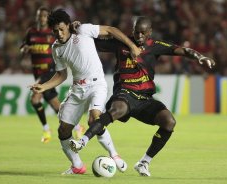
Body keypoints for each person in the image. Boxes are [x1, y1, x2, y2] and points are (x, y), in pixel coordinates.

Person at [70, 16, 216, 176]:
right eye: (136, 32)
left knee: (169, 121)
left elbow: (183, 50)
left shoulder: (155, 46)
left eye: (143, 33)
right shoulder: (121, 43)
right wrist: (76, 30)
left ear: (149, 33)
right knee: (117, 109)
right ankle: (82, 141)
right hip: (124, 92)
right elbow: (91, 42)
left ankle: (144, 162)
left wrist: (199, 56)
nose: (139, 36)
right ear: (132, 31)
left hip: (145, 99)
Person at [30, 9, 141, 175]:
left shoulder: (82, 30)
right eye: (55, 31)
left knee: (94, 118)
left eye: (61, 29)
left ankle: (114, 155)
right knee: (63, 130)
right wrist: (44, 86)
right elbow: (62, 74)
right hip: (77, 89)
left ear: (68, 25)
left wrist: (132, 46)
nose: (59, 33)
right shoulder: (56, 48)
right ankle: (77, 166)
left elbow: (111, 30)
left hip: (96, 85)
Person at [20, 6, 85, 143]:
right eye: (40, 16)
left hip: (50, 71)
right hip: (37, 71)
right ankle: (78, 127)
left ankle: (46, 129)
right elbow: (22, 47)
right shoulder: (31, 32)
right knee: (56, 106)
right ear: (37, 17)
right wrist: (24, 49)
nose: (41, 18)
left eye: (44, 16)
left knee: (35, 99)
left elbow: (64, 40)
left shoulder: (53, 32)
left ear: (47, 18)